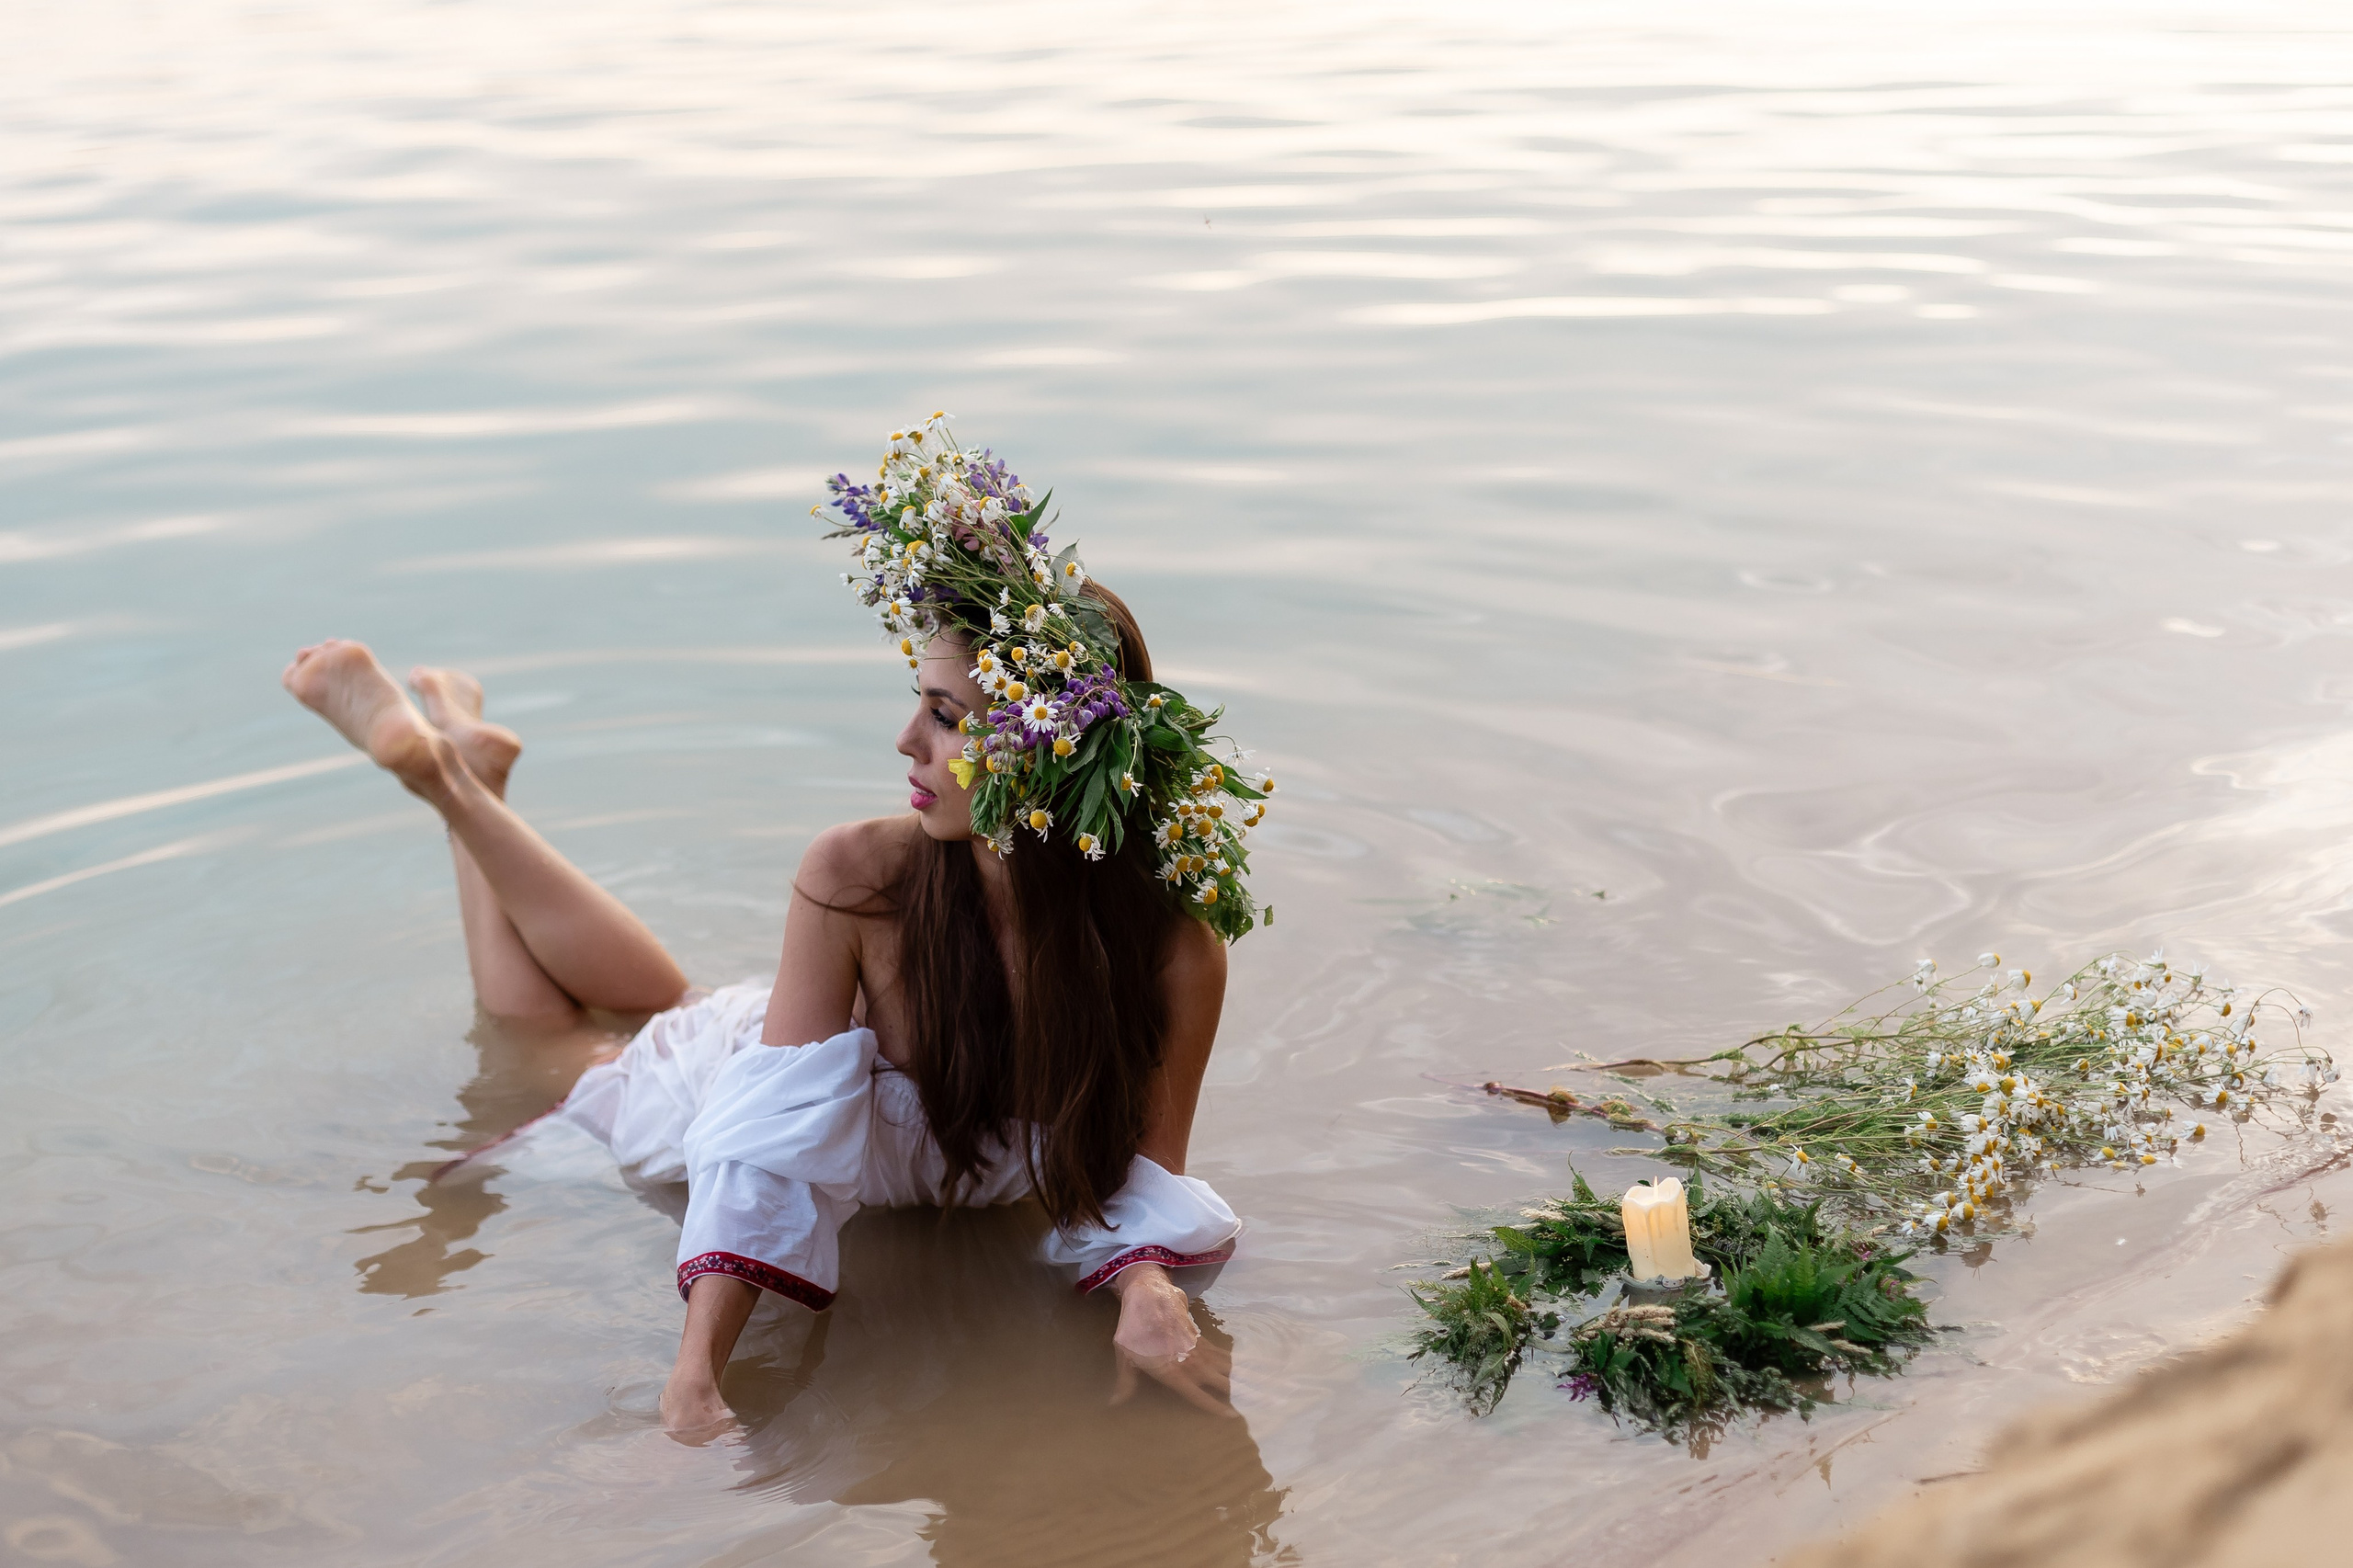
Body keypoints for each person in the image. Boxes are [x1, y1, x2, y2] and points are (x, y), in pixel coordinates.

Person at [280, 415, 1270, 1437]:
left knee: (666, 1004)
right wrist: (694, 1370)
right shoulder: (859, 869)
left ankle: (467, 775)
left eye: (945, 715)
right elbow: (764, 1143)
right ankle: (448, 784)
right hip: (744, 1078)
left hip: (782, 1042)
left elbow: (1146, 1174)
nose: (904, 739)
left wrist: (1145, 1287)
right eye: (918, 702)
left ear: (1046, 751)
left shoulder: (1173, 946)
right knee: (546, 1040)